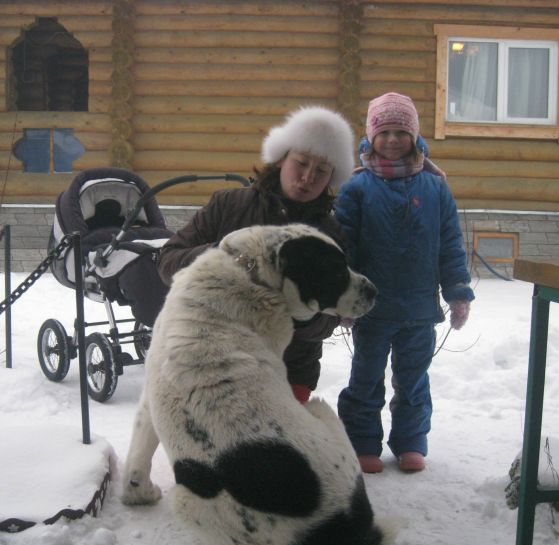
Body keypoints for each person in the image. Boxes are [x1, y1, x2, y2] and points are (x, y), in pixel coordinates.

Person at [157, 106, 356, 403]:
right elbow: (168, 261)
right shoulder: (228, 206)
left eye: (321, 171)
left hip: (289, 370)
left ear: (332, 178)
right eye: (301, 163)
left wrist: (300, 314)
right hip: (213, 358)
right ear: (280, 158)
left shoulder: (330, 235)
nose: (307, 178)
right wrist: (216, 257)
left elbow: (330, 318)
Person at [334, 92, 474, 474]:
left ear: (414, 136)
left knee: (413, 381)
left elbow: (450, 244)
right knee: (365, 379)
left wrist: (458, 292)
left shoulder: (435, 187)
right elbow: (344, 248)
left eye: (401, 132)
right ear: (370, 137)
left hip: (418, 309)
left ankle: (411, 442)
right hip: (372, 310)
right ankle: (362, 443)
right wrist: (344, 300)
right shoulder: (356, 187)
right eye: (385, 132)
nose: (393, 140)